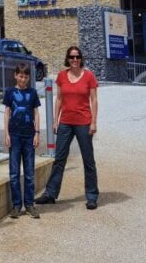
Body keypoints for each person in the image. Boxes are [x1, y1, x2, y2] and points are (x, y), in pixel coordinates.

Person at [35, 45, 99, 209]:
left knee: (88, 160)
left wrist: (93, 122)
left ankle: (92, 196)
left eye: (77, 57)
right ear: (68, 59)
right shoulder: (62, 76)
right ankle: (50, 193)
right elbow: (59, 100)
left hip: (83, 122)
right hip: (65, 123)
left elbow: (94, 100)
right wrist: (55, 120)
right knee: (59, 159)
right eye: (72, 57)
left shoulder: (89, 76)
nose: (75, 60)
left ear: (81, 58)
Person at [3, 62, 41, 219]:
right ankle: (17, 205)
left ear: (29, 77)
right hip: (15, 135)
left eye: (26, 76)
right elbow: (6, 113)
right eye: (20, 76)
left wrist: (37, 133)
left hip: (29, 135)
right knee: (14, 172)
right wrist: (6, 134)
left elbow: (36, 113)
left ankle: (30, 204)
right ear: (15, 75)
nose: (23, 79)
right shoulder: (10, 92)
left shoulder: (32, 93)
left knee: (30, 173)